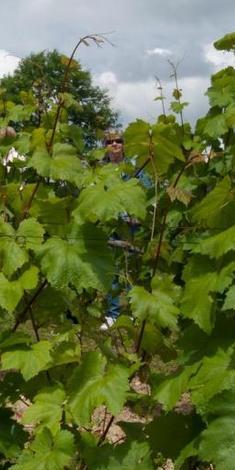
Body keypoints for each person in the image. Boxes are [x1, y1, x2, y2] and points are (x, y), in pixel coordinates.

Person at [99, 127, 149, 330]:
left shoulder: (135, 169)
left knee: (130, 269)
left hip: (131, 225)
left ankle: (130, 314)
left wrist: (136, 215)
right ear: (105, 147)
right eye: (110, 142)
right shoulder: (101, 171)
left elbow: (144, 193)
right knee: (111, 270)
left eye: (118, 140)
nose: (114, 144)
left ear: (124, 144)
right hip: (110, 223)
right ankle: (112, 314)